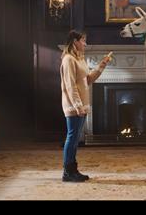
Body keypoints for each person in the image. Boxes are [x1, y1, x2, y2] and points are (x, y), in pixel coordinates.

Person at [60, 30, 111, 182]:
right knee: (72, 137)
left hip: (81, 105)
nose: (85, 43)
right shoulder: (68, 59)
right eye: (83, 40)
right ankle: (68, 172)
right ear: (75, 41)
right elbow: (70, 85)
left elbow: (87, 80)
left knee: (75, 139)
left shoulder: (80, 59)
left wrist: (102, 65)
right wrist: (77, 105)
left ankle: (73, 170)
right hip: (74, 105)